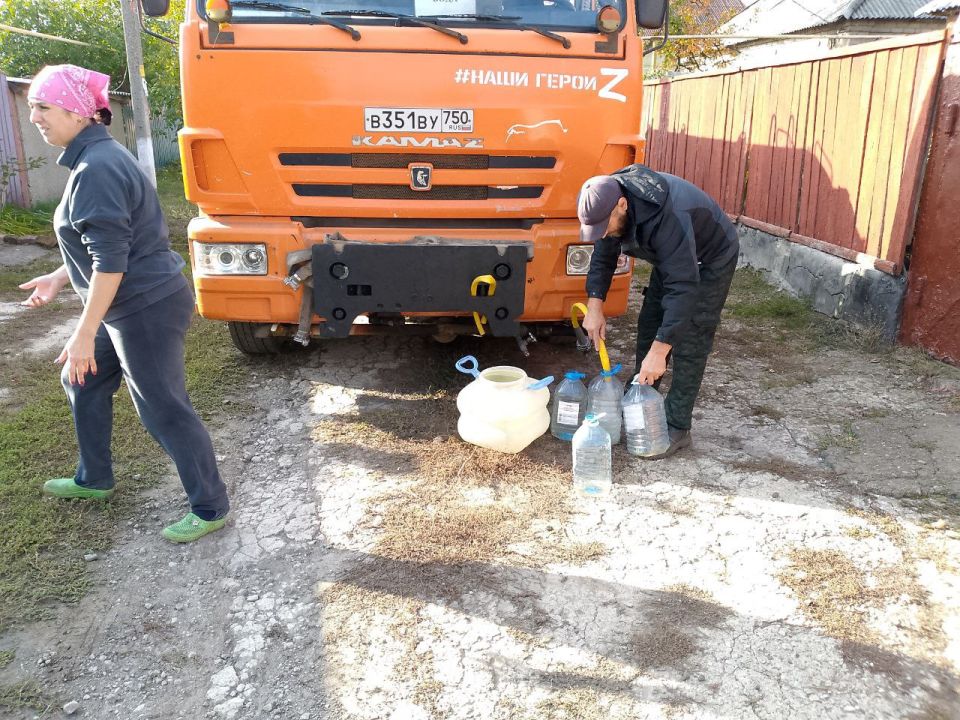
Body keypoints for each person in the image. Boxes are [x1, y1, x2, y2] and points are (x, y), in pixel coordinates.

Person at [19, 64, 230, 542]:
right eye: (32, 106)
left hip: (145, 307)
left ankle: (211, 505)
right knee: (84, 380)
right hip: (129, 301)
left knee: (162, 408)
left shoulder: (97, 168)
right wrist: (57, 276)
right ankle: (94, 478)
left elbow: (111, 263)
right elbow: (107, 245)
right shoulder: (92, 160)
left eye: (43, 106)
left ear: (76, 111)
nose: (34, 117)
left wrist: (83, 334)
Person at [578, 164, 739, 459]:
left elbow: (684, 286)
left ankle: (677, 424)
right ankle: (643, 392)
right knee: (651, 320)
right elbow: (603, 256)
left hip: (709, 259)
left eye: (606, 225)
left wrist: (660, 350)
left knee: (691, 335)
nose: (605, 233)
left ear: (622, 204)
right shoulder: (609, 200)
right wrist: (594, 306)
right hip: (673, 258)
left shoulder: (669, 216)